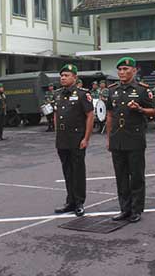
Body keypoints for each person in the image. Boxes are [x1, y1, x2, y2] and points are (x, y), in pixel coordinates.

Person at [107, 57, 155, 223]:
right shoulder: (112, 89)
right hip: (117, 138)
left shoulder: (142, 90)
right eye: (119, 69)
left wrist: (140, 109)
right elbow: (109, 114)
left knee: (136, 176)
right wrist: (109, 137)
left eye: (126, 69)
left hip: (134, 138)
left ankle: (136, 209)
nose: (122, 72)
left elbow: (154, 111)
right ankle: (124, 209)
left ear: (134, 71)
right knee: (120, 176)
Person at [53, 64, 94, 216]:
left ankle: (79, 202)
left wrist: (86, 138)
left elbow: (90, 115)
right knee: (67, 171)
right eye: (62, 75)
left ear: (75, 78)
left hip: (77, 138)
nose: (63, 78)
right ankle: (70, 201)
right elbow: (56, 114)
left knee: (78, 171)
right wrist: (57, 133)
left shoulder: (83, 94)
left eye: (67, 75)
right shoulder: (58, 94)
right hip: (62, 138)